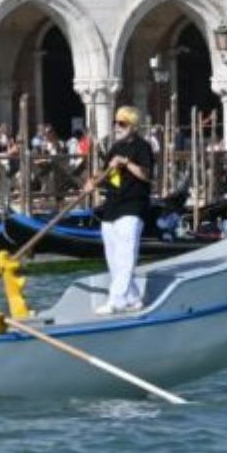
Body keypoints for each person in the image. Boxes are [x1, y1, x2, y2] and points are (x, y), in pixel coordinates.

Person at [95, 105, 154, 315]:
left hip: (133, 205)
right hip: (111, 205)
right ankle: (133, 297)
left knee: (125, 255)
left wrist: (126, 162)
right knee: (112, 256)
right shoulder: (114, 147)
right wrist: (93, 181)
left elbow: (146, 175)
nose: (117, 127)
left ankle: (116, 300)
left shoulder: (142, 147)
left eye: (122, 124)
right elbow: (105, 174)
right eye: (116, 123)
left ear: (133, 126)